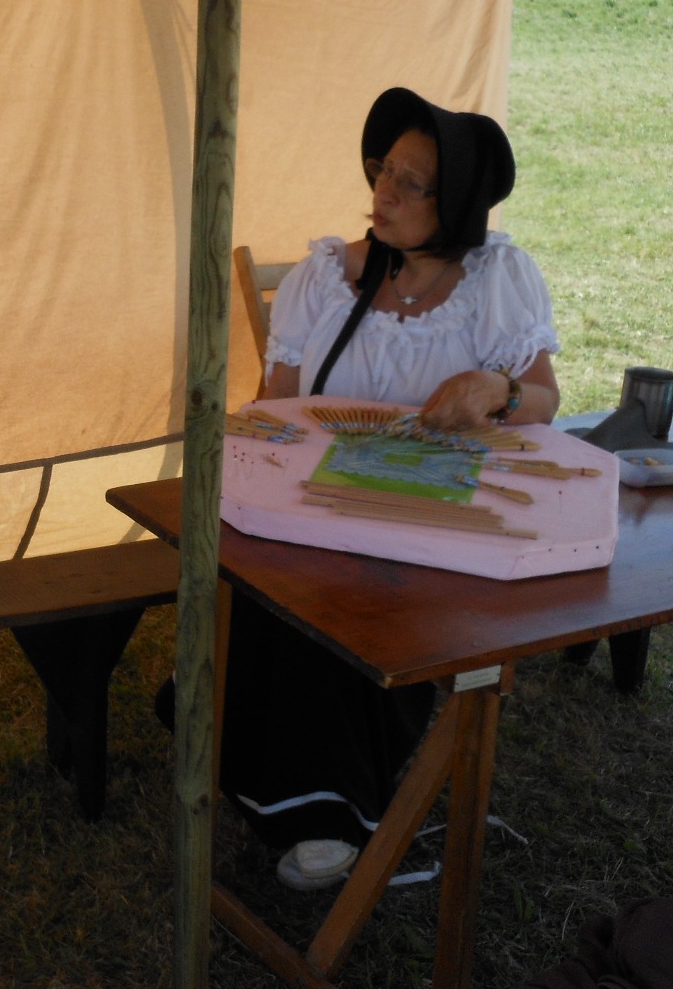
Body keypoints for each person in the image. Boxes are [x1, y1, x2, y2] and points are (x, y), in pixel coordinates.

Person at [223, 87, 560, 891]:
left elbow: (543, 403)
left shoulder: (496, 279)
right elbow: (276, 403)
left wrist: (495, 390)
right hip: (324, 504)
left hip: (443, 518)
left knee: (374, 602)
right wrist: (270, 441)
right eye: (384, 171)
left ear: (460, 203)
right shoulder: (327, 277)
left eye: (411, 184)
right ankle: (289, 795)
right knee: (287, 591)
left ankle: (338, 811)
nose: (382, 193)